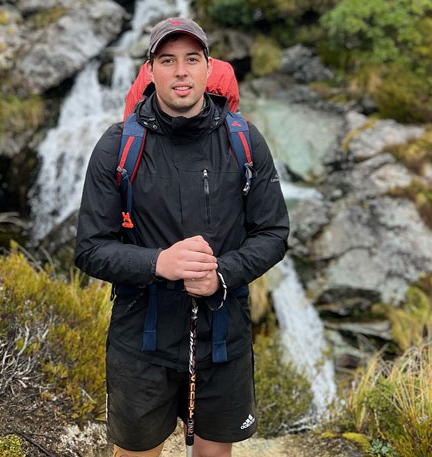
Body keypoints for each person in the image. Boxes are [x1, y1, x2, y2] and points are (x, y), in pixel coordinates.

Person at [74, 17, 289, 457]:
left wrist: (221, 274)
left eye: (191, 59)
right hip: (140, 341)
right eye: (167, 60)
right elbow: (90, 248)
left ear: (209, 67)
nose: (181, 71)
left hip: (223, 338)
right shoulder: (117, 147)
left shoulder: (245, 141)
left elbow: (273, 233)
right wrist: (159, 264)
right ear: (150, 70)